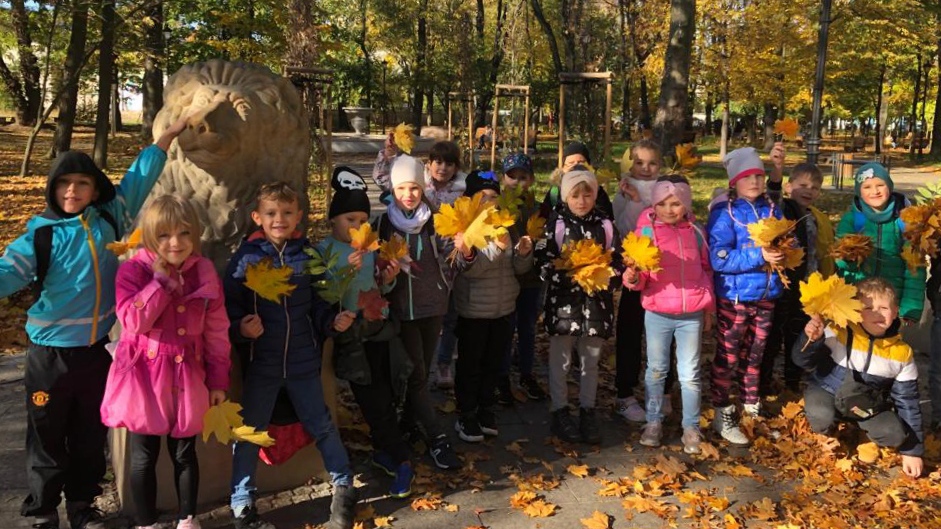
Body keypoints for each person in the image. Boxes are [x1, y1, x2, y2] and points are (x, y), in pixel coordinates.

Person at [0, 115, 190, 529]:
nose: (73, 191)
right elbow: (5, 273)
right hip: (49, 356)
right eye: (64, 183)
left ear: (94, 188)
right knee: (47, 436)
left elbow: (138, 180)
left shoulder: (110, 219)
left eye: (82, 183)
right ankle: (43, 510)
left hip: (97, 352)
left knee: (89, 435)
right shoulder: (40, 236)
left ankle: (82, 507)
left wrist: (166, 139)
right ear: (52, 188)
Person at [224, 182, 358, 529]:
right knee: (251, 431)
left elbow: (318, 305)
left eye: (286, 213)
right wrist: (241, 328)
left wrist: (332, 321)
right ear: (258, 218)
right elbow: (228, 309)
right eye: (271, 213)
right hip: (263, 364)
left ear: (298, 216)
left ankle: (343, 483)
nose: (279, 219)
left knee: (322, 425)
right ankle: (241, 501)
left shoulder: (308, 256)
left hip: (303, 362)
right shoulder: (246, 259)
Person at [100, 196, 231, 529]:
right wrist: (158, 282)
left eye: (185, 233)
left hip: (187, 375)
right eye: (164, 235)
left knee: (185, 453)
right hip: (145, 376)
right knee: (143, 455)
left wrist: (218, 380)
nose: (176, 243)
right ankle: (146, 522)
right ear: (150, 236)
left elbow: (216, 330)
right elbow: (132, 322)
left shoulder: (203, 270)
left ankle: (188, 520)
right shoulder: (133, 270)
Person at [317, 167, 414, 499]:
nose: (357, 227)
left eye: (362, 219)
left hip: (382, 331)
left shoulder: (371, 246)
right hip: (353, 338)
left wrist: (388, 277)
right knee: (371, 398)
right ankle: (399, 458)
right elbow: (324, 296)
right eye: (349, 219)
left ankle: (391, 453)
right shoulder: (325, 251)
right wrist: (344, 273)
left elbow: (380, 284)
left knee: (387, 393)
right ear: (333, 220)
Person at [374, 155, 464, 470]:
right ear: (393, 190)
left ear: (422, 187)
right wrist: (384, 276)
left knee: (421, 372)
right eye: (402, 188)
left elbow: (456, 261)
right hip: (401, 310)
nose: (408, 194)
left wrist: (465, 249)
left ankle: (409, 425)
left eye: (414, 187)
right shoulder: (383, 224)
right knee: (416, 376)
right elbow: (375, 269)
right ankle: (438, 439)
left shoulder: (436, 219)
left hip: (433, 306)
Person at [794, 277, 924, 478]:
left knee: (894, 433)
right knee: (821, 417)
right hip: (828, 391)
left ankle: (862, 433)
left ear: (896, 311)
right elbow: (802, 360)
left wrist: (912, 451)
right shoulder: (838, 332)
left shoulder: (902, 353)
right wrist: (811, 339)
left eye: (884, 308)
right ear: (856, 310)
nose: (877, 313)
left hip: (865, 405)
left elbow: (908, 401)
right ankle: (828, 433)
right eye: (869, 308)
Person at [623, 176, 713, 454]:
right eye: (662, 203)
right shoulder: (646, 233)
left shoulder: (696, 232)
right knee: (656, 370)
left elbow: (706, 270)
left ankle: (691, 426)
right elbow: (641, 278)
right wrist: (633, 278)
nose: (669, 209)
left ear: (685, 204)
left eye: (676, 204)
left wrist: (709, 308)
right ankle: (653, 422)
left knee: (690, 373)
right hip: (658, 312)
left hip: (691, 313)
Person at [537, 165, 623, 444]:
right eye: (575, 195)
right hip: (563, 303)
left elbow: (617, 262)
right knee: (560, 359)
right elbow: (543, 261)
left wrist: (609, 277)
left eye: (587, 195)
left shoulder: (606, 225)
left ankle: (588, 410)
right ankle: (559, 410)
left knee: (591, 361)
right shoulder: (557, 225)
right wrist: (567, 272)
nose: (582, 201)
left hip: (596, 305)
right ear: (565, 197)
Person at [706, 147, 784, 445]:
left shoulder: (771, 209)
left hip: (766, 296)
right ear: (734, 181)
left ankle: (751, 406)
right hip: (735, 297)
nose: (754, 181)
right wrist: (759, 255)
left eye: (759, 176)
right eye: (747, 176)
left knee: (755, 355)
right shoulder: (724, 213)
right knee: (728, 355)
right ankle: (721, 408)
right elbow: (720, 258)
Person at [452, 171, 534, 442]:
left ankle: (486, 409)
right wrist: (498, 249)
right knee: (470, 364)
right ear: (470, 200)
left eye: (494, 197)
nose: (489, 202)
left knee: (493, 363)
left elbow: (519, 269)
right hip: (474, 310)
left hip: (504, 308)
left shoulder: (507, 225)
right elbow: (469, 271)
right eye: (482, 197)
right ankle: (466, 413)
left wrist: (523, 253)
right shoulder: (466, 230)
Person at [762, 162, 835, 397]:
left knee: (798, 336)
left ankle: (792, 382)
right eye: (803, 185)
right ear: (789, 186)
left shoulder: (815, 218)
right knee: (773, 338)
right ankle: (763, 384)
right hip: (782, 286)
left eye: (815, 187)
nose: (809, 190)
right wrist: (775, 172)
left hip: (807, 289)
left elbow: (821, 252)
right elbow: (772, 198)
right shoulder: (784, 210)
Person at [612, 139, 666, 423]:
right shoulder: (624, 190)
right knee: (631, 330)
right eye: (640, 163)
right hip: (635, 268)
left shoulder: (667, 186)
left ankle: (663, 390)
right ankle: (625, 392)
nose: (646, 169)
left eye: (652, 163)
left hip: (663, 272)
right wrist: (634, 201)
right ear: (630, 163)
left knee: (663, 334)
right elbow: (623, 227)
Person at [834, 163, 926, 324]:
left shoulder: (906, 222)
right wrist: (847, 258)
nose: (874, 191)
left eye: (880, 185)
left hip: (890, 304)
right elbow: (841, 262)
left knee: (887, 346)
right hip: (857, 298)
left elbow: (915, 267)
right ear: (859, 192)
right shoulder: (852, 221)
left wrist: (910, 308)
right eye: (867, 187)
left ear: (889, 187)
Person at [499, 153, 547, 402]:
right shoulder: (498, 209)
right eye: (512, 177)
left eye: (523, 177)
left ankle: (527, 374)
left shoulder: (538, 210)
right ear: (502, 178)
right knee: (506, 329)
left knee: (527, 327)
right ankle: (503, 376)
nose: (517, 182)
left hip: (531, 280)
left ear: (532, 179)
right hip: (505, 280)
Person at [423, 141, 467, 390]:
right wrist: (387, 156)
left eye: (449, 163)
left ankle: (443, 363)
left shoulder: (462, 192)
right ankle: (422, 362)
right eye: (438, 162)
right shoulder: (419, 189)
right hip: (425, 262)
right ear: (429, 164)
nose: (443, 167)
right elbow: (385, 182)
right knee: (429, 317)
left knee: (451, 317)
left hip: (453, 263)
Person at [541, 141, 614, 220]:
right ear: (563, 168)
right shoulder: (554, 193)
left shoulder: (597, 191)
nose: (576, 166)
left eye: (581, 162)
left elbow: (608, 217)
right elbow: (544, 218)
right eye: (570, 163)